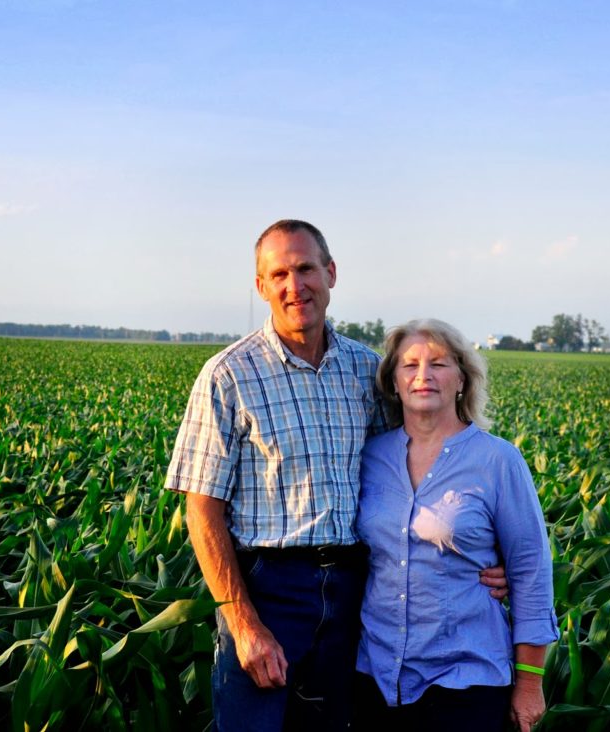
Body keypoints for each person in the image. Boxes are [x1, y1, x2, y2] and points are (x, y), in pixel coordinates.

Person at [166, 221, 507, 731]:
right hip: (267, 589)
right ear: (260, 286)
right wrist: (242, 623)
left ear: (330, 273)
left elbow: (421, 474)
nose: (293, 285)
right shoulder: (227, 375)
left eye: (305, 268)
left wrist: (483, 559)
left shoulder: (368, 371)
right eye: (278, 273)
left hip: (356, 593)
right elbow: (202, 509)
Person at [353, 319, 559, 732]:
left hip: (466, 678)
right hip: (375, 675)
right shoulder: (369, 456)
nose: (423, 376)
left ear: (462, 379)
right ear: (393, 382)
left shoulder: (498, 460)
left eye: (439, 364)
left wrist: (530, 684)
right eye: (410, 365)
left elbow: (531, 573)